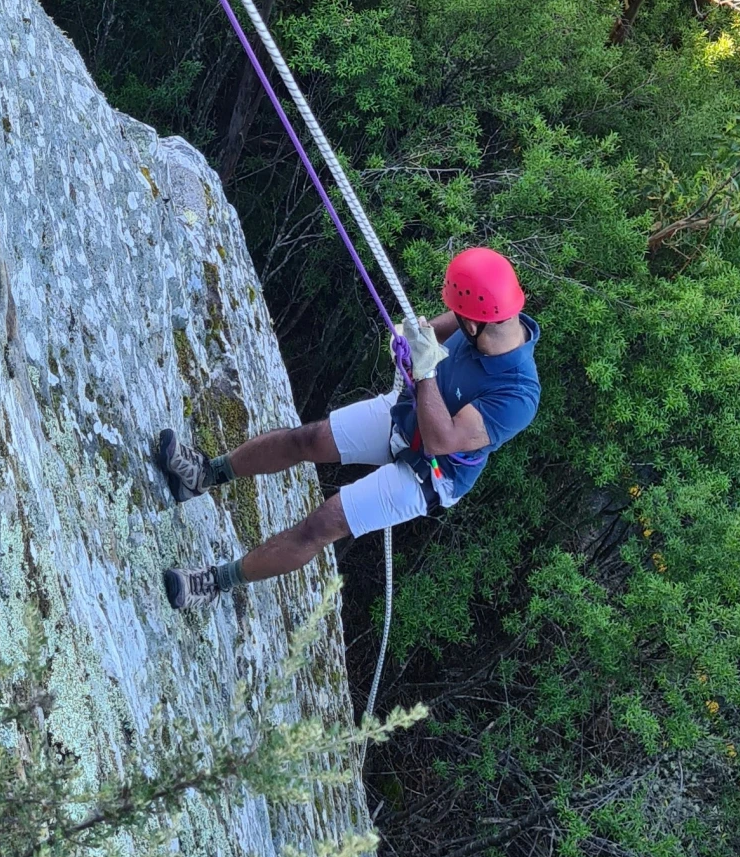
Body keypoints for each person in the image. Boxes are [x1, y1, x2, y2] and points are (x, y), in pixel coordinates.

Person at [159, 246, 540, 611]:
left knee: (324, 522)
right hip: (408, 414)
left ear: (475, 322)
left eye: (459, 314)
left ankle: (215, 582)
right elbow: (425, 335)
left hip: (433, 472)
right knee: (307, 439)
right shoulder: (477, 322)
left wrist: (423, 370)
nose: (452, 316)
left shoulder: (518, 395)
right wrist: (408, 340)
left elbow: (443, 440)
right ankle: (205, 474)